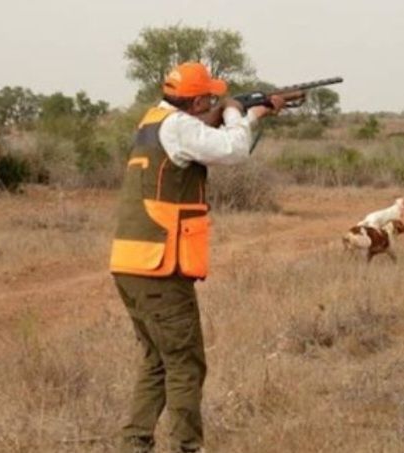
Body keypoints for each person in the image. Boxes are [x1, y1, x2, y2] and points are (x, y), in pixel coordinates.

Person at [110, 61, 284, 453]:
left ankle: (134, 443)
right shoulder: (179, 126)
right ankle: (186, 446)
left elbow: (207, 143)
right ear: (199, 100)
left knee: (158, 360)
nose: (213, 100)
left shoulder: (153, 121)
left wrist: (240, 114)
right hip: (160, 266)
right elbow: (233, 149)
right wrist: (241, 114)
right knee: (185, 363)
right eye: (209, 97)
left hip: (132, 263)